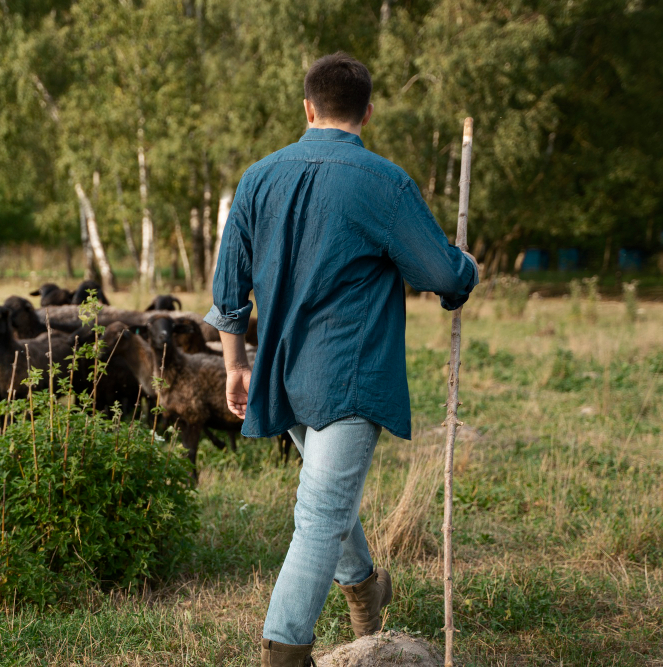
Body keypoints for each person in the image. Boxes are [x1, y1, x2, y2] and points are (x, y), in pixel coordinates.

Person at [203, 52, 478, 667]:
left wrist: (234, 365)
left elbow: (226, 293)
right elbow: (438, 271)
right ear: (368, 112)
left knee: (324, 500)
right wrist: (468, 269)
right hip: (348, 374)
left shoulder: (257, 177)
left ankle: (363, 589)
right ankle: (285, 651)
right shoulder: (383, 181)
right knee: (322, 511)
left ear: (307, 107)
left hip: (279, 369)